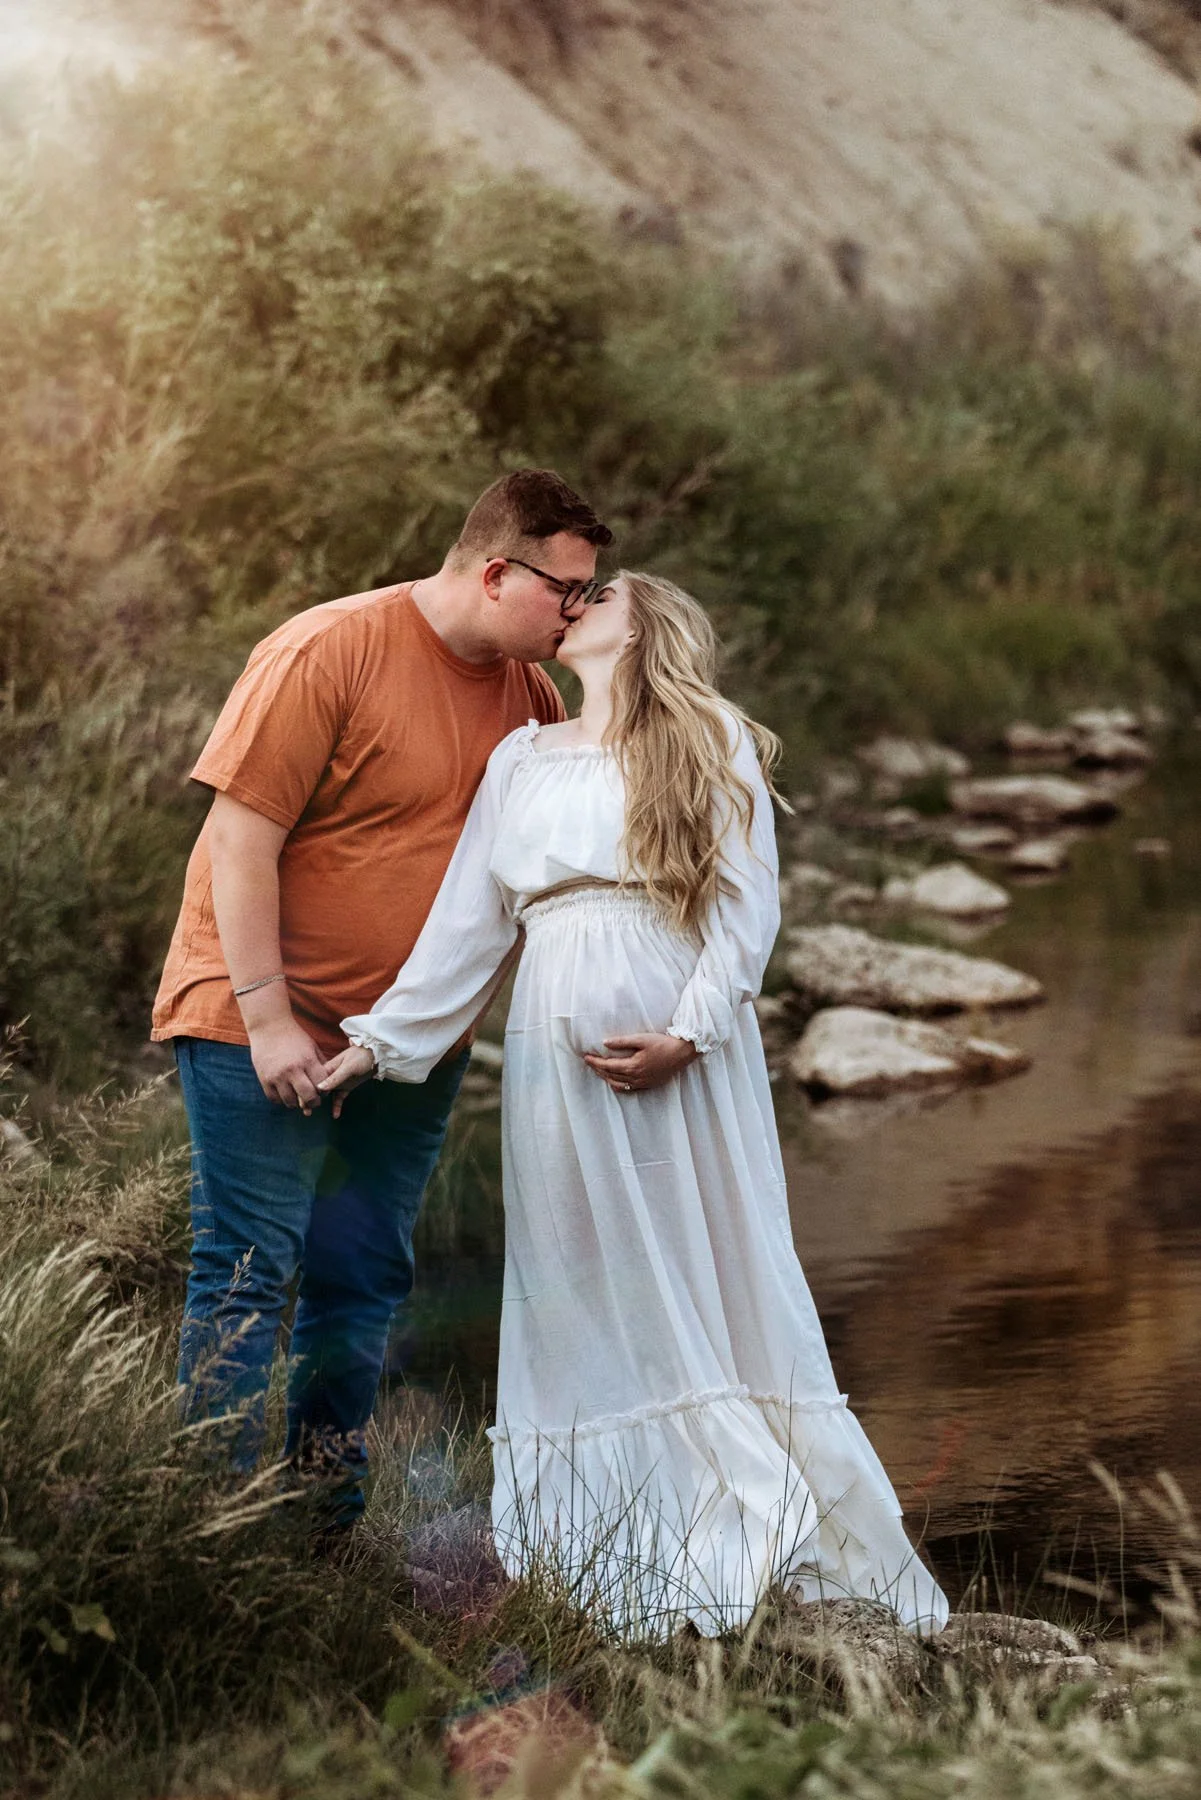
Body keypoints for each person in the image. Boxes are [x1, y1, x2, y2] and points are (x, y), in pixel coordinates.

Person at [320, 571, 949, 1637]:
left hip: (679, 1040)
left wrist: (689, 1037)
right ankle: (602, 1533)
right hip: (550, 1055)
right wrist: (380, 1043)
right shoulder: (519, 756)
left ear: (645, 626)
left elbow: (747, 910)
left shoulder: (704, 736)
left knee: (704, 1256)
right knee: (575, 1269)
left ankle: (751, 1501)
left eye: (599, 592)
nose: (575, 602)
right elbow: (471, 923)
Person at [152, 469, 613, 1519]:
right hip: (261, 1021)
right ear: (496, 571)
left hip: (406, 1050)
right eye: (565, 588)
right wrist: (269, 1021)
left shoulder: (531, 698)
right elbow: (240, 838)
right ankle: (207, 1536)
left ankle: (321, 1529)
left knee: (361, 1280)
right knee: (246, 1274)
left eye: (591, 593)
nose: (578, 610)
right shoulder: (330, 649)